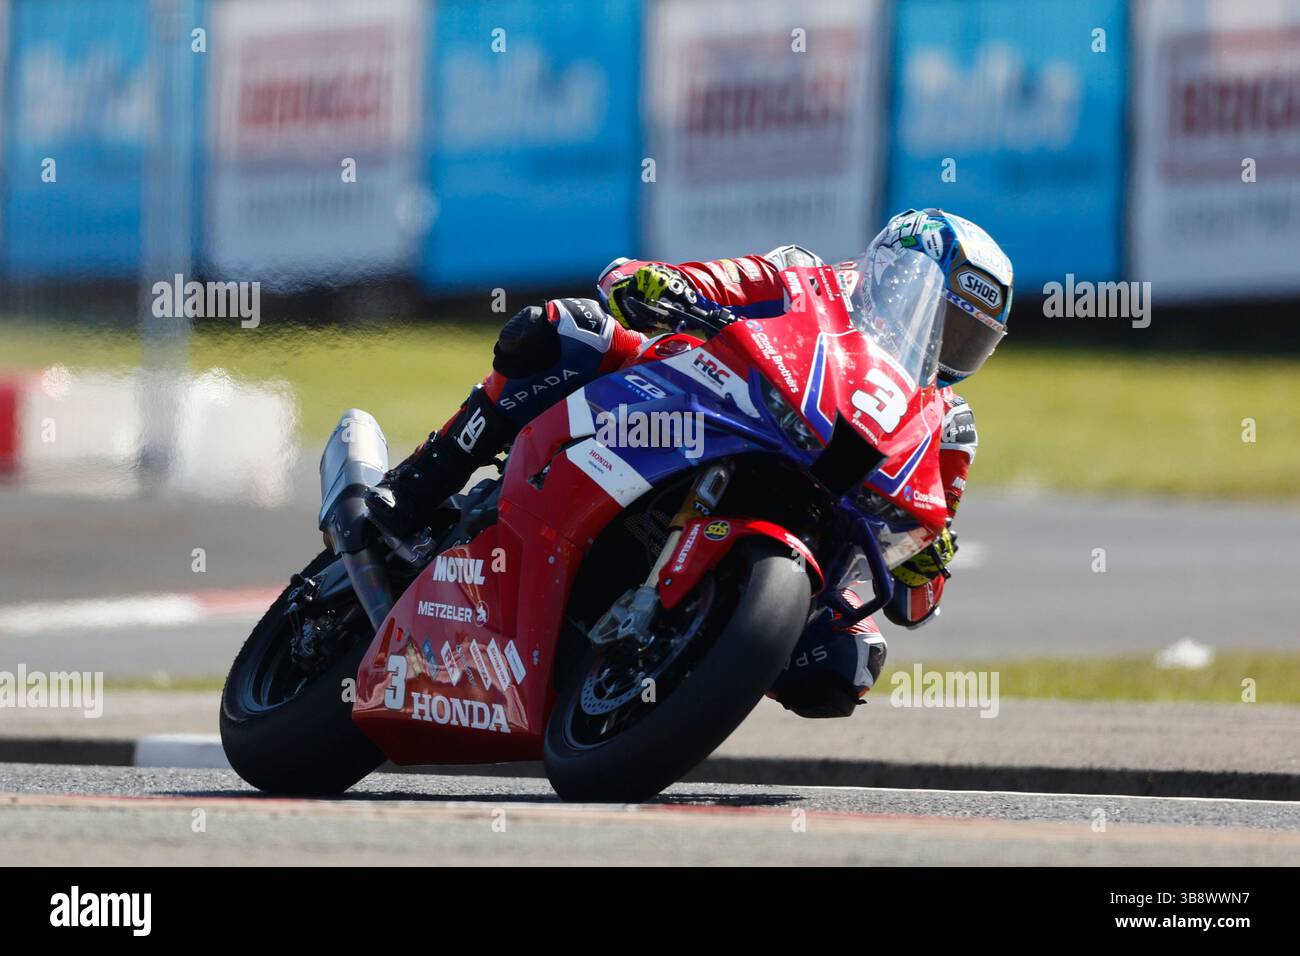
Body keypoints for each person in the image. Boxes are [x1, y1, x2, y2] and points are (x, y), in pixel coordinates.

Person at [365, 208, 1013, 718]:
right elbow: (674, 280)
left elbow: (918, 590)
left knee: (849, 660)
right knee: (566, 330)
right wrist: (661, 287)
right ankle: (419, 484)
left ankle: (683, 666)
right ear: (889, 275)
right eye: (938, 315)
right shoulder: (807, 278)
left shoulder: (948, 427)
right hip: (701, 416)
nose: (941, 342)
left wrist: (925, 561)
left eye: (966, 338)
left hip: (812, 530)